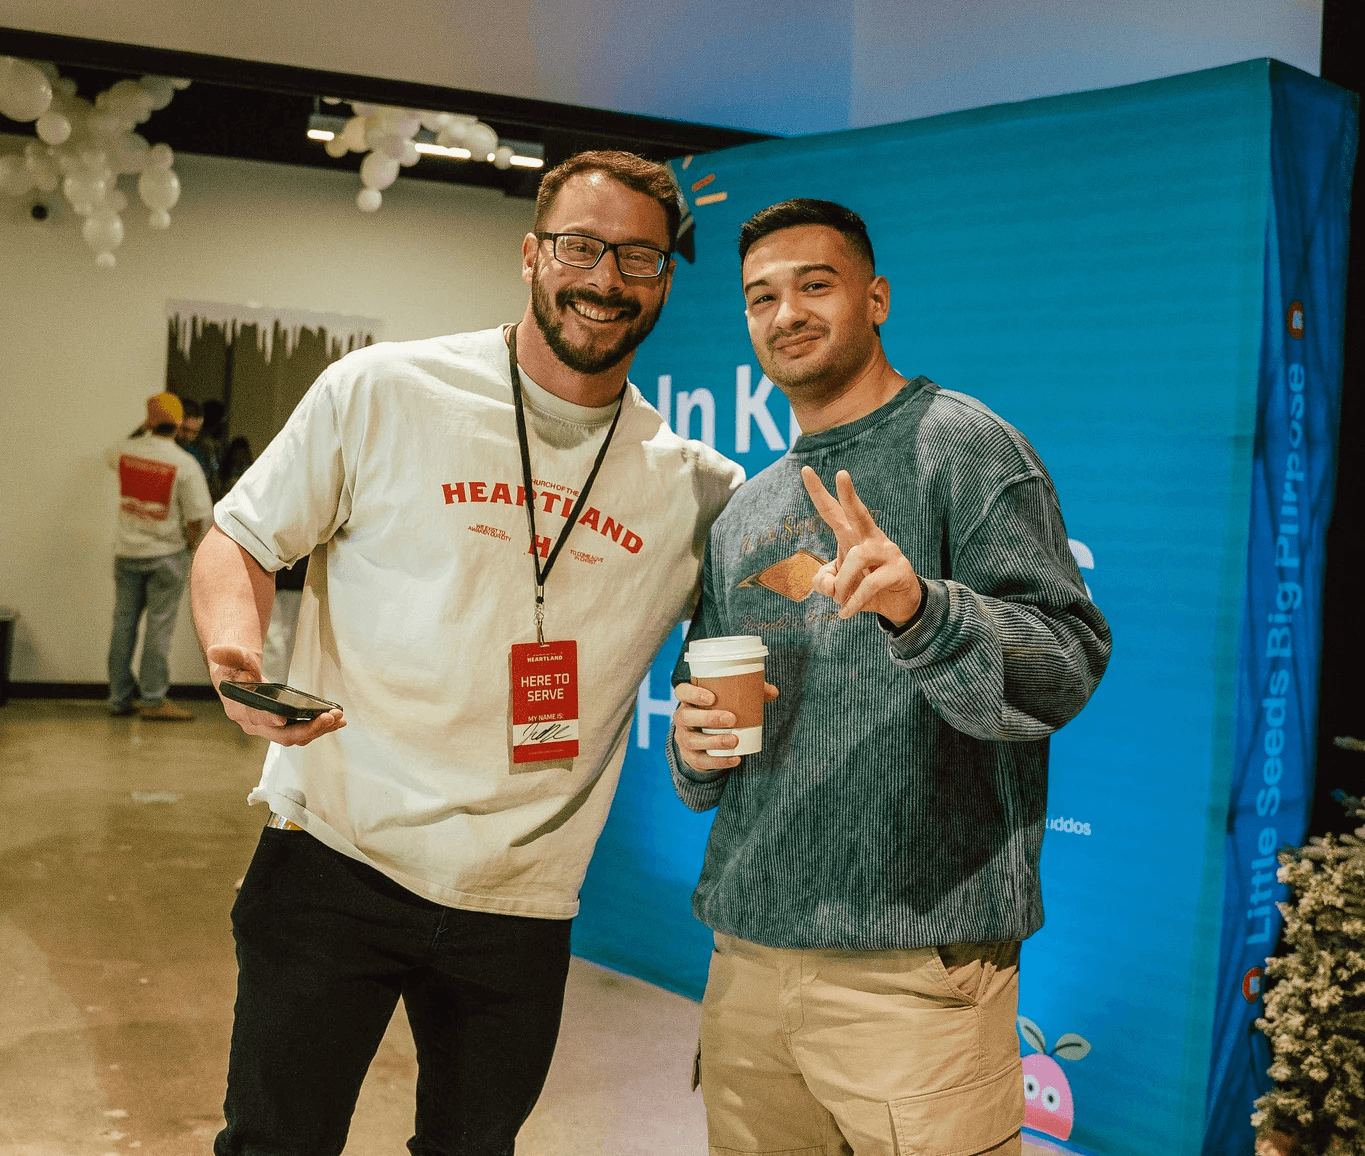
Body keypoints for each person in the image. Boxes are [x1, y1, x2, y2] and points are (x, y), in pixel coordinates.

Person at [190, 150, 743, 1156]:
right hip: (336, 860)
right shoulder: (386, 388)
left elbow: (747, 653)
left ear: (666, 278)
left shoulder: (699, 487)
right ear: (531, 253)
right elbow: (241, 536)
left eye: (639, 259)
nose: (606, 279)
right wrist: (235, 659)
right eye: (582, 246)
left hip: (520, 900)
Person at [669, 199, 1112, 1156]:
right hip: (748, 958)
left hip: (915, 975)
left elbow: (1065, 665)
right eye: (761, 297)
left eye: (814, 285)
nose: (785, 312)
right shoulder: (746, 510)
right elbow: (700, 703)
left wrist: (924, 609)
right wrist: (692, 744)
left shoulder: (965, 448)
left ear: (875, 298)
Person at [106, 391, 213, 720]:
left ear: (149, 420)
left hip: (127, 553)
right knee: (159, 628)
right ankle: (153, 700)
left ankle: (118, 698)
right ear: (180, 424)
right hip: (166, 554)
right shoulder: (185, 463)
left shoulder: (125, 452)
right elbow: (199, 516)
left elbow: (113, 453)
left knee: (123, 624)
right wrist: (189, 543)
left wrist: (146, 426)